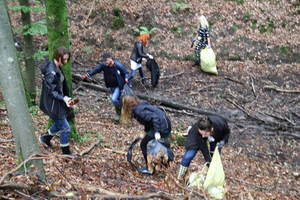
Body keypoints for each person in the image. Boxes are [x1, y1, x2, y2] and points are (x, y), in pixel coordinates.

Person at [122, 95, 172, 174]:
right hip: (162, 124)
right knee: (148, 143)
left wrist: (157, 132)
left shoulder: (138, 110)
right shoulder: (139, 107)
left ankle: (150, 168)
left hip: (162, 125)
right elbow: (148, 122)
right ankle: (159, 164)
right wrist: (145, 133)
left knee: (143, 144)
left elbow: (155, 118)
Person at [39, 46, 73, 155]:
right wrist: (63, 98)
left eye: (67, 59)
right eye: (64, 59)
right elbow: (51, 91)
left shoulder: (57, 66)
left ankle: (45, 139)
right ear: (57, 57)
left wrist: (66, 98)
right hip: (52, 105)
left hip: (58, 103)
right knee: (65, 128)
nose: (66, 61)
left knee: (59, 125)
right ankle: (66, 154)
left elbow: (60, 86)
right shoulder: (51, 71)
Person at [82, 53, 129, 121]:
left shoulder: (118, 65)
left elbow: (126, 72)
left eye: (106, 60)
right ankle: (122, 114)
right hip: (111, 87)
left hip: (118, 86)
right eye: (104, 61)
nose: (105, 62)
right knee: (117, 100)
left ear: (110, 58)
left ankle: (119, 114)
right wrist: (87, 75)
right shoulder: (104, 65)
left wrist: (126, 79)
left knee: (114, 99)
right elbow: (96, 70)